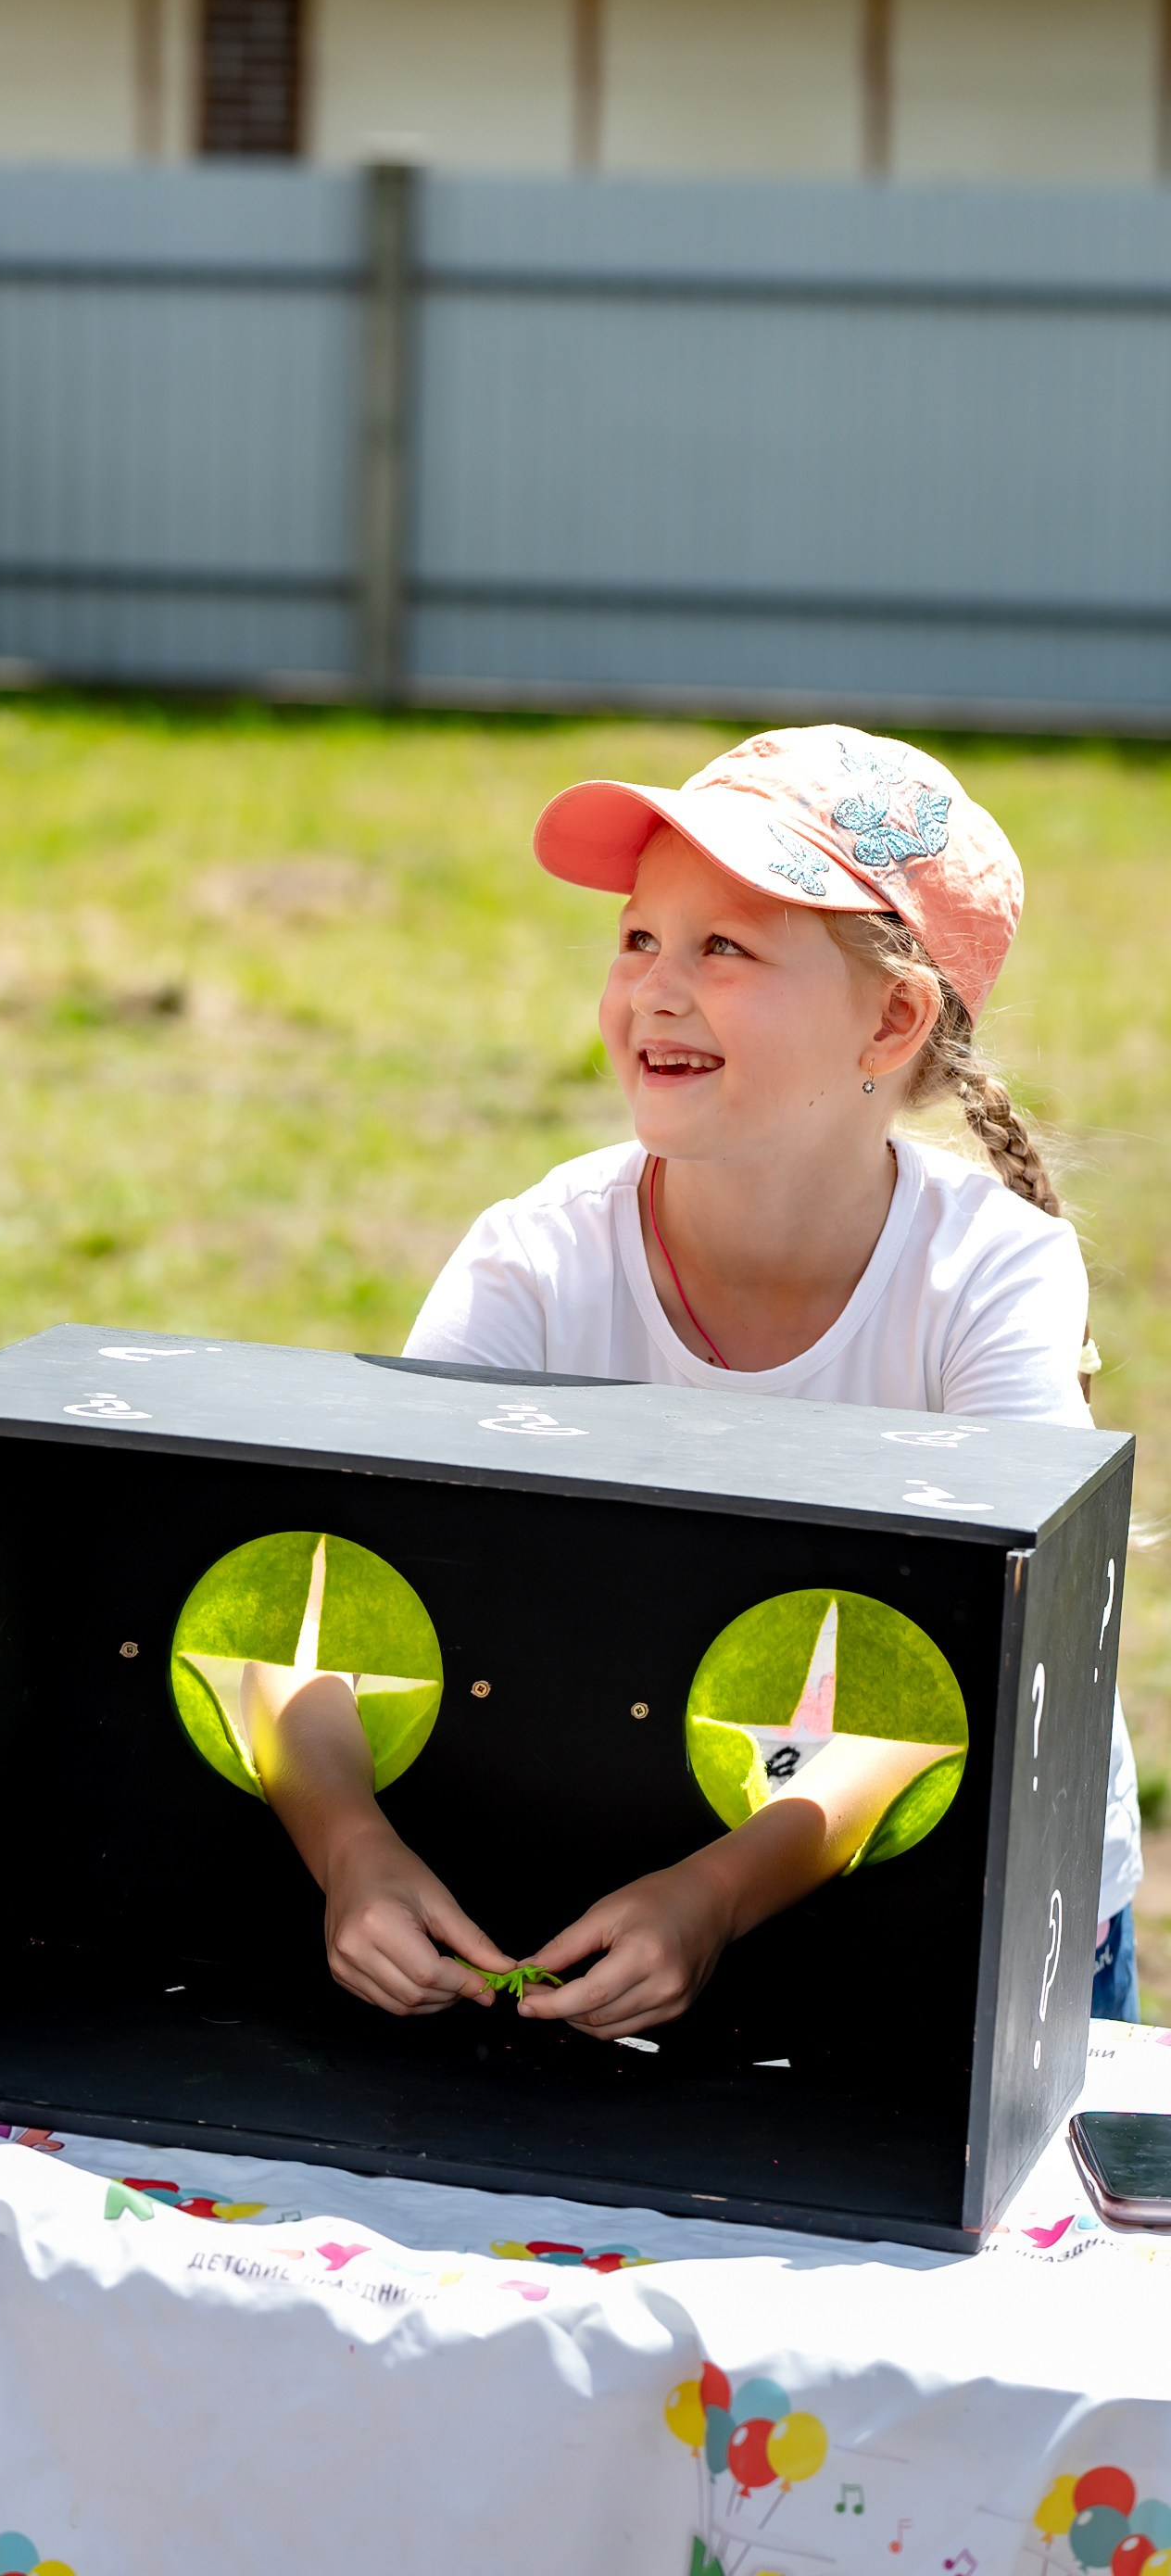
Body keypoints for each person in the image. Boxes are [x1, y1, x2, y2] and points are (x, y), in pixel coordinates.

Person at [249, 726, 1141, 2040]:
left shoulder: (993, 1282)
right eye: (637, 939)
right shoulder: (537, 1263)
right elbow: (319, 1603)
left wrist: (721, 1894)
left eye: (723, 948)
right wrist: (349, 1850)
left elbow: (1006, 1686)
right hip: (641, 1908)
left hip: (967, 1924)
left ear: (892, 1020)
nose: (656, 991)